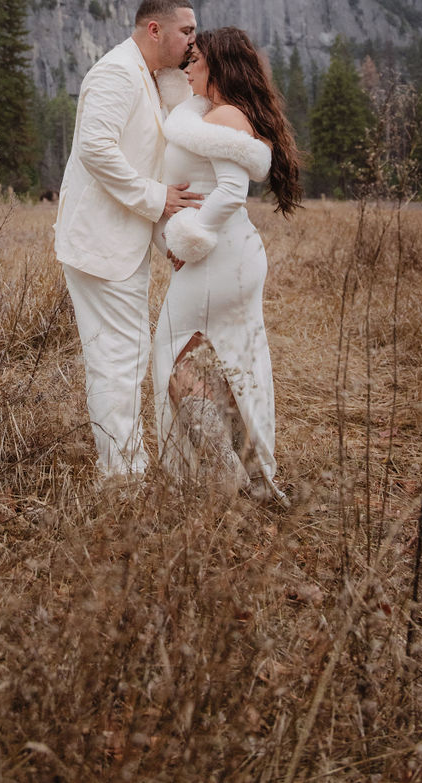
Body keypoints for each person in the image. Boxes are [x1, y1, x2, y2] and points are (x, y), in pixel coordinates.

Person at [55, 0, 200, 477]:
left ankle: (126, 466)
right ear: (154, 30)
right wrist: (158, 199)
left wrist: (167, 239)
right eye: (186, 31)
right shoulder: (117, 72)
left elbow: (144, 159)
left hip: (122, 242)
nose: (193, 41)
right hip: (101, 244)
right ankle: (123, 476)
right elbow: (96, 149)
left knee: (127, 353)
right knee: (117, 359)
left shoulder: (149, 77)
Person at [155, 27, 301, 498]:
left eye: (194, 59)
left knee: (176, 358)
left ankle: (228, 477)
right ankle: (251, 478)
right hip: (226, 255)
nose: (188, 67)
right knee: (228, 362)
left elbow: (233, 192)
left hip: (217, 257)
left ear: (216, 64)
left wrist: (189, 238)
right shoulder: (215, 114)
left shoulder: (226, 116)